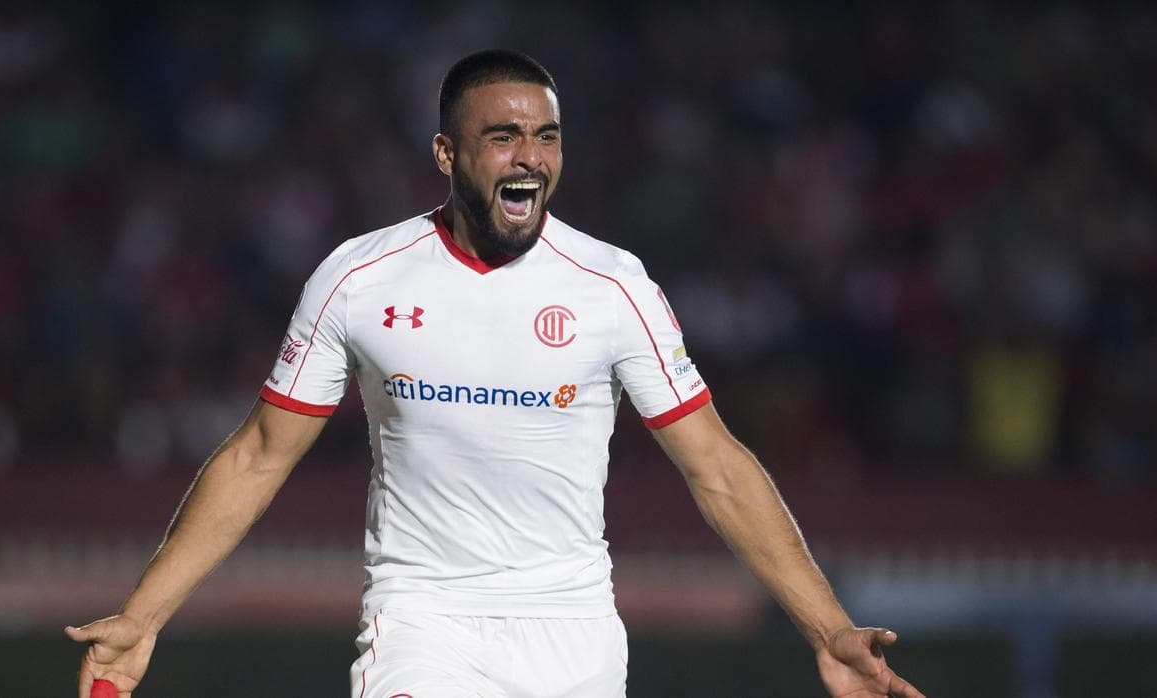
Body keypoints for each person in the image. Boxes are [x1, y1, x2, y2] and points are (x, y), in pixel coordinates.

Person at [68, 49, 924, 698]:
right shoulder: (360, 278)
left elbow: (718, 468)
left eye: (546, 137)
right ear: (447, 154)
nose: (529, 157)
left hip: (574, 636)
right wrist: (143, 615)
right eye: (503, 136)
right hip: (422, 624)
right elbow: (259, 454)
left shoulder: (612, 286)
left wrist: (828, 630)